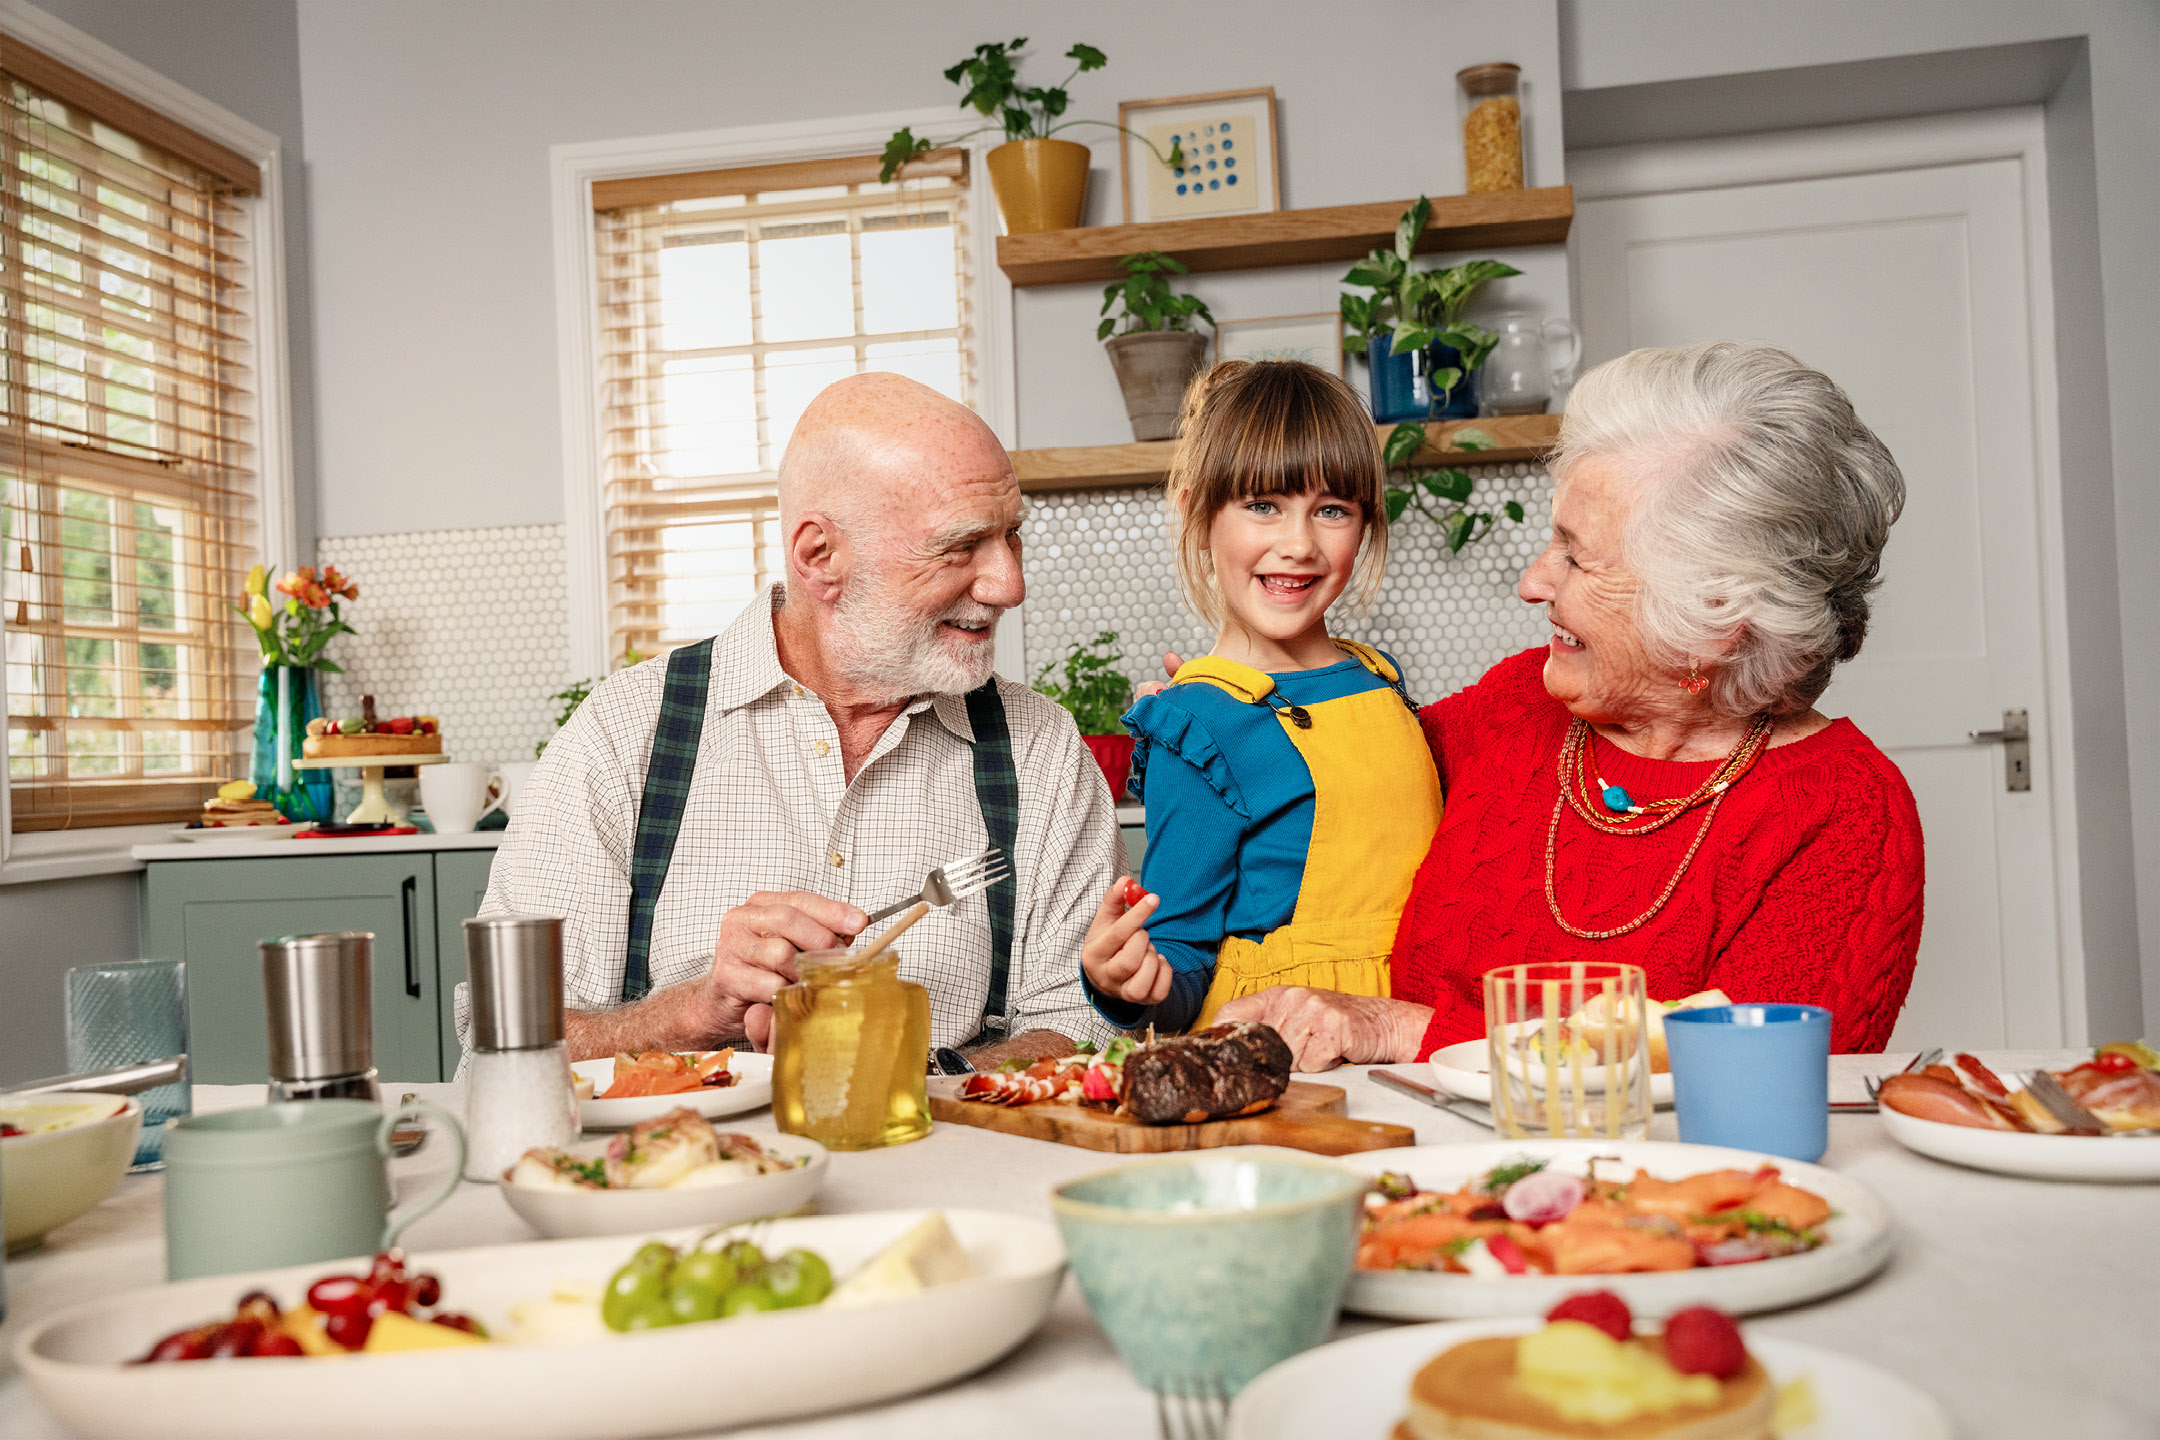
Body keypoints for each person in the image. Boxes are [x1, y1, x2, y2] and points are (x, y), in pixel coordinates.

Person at [1201, 341, 1926, 1068]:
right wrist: (1228, 703)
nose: (1534, 582)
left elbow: (1752, 1078)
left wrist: (1402, 1030)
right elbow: (1336, 791)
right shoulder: (1521, 702)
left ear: (1714, 621)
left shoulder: (1845, 813)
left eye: (1576, 556)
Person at [476, 372, 1123, 1063]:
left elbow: (1088, 1025)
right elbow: (499, 1038)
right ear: (820, 557)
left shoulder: (1040, 748)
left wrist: (901, 1070)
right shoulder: (623, 733)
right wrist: (694, 1015)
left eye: (1011, 537)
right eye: (960, 547)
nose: (1008, 584)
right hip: (682, 1165)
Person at [1080, 360, 1443, 1034]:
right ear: (1197, 513)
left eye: (1331, 509)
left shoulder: (1379, 680)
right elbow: (1182, 954)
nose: (1299, 544)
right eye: (1263, 505)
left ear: (1366, 523)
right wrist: (1133, 984)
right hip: (1280, 1053)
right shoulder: (1200, 723)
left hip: (1407, 1027)